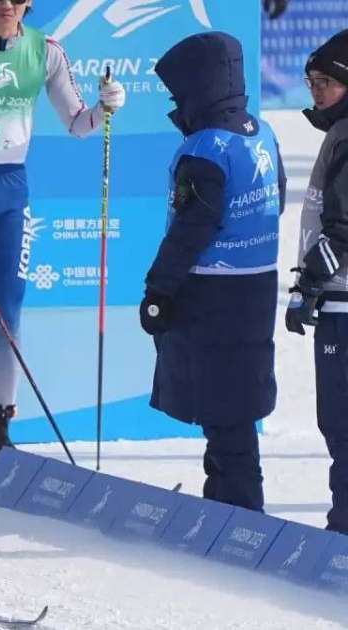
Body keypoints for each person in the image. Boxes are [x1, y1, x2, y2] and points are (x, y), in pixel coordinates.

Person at [0, 0, 125, 478]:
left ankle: (1, 429)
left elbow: (78, 124)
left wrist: (105, 110)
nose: (5, 4)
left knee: (9, 314)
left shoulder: (46, 51)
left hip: (11, 193)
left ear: (28, 4)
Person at [142, 32, 283, 513]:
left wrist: (158, 289)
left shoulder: (205, 149)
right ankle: (223, 499)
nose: (175, 104)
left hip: (212, 296)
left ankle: (241, 511)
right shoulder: (262, 133)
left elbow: (190, 228)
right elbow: (278, 197)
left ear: (198, 88)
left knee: (223, 410)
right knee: (234, 406)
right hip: (256, 288)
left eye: (177, 94)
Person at [285, 29, 348, 533]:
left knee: (342, 424)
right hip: (336, 299)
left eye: (325, 81)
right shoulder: (339, 131)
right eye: (310, 82)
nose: (316, 91)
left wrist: (309, 282)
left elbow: (342, 228)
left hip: (344, 303)